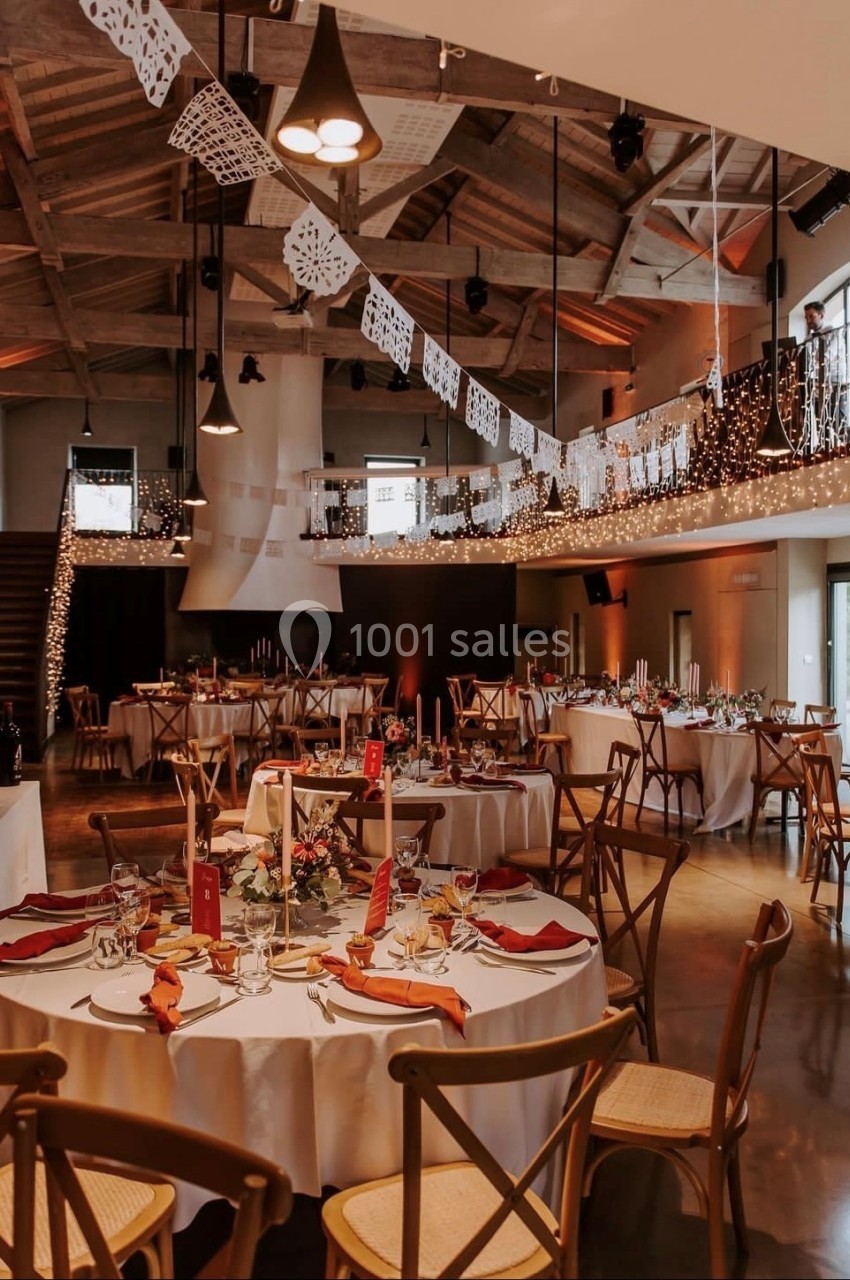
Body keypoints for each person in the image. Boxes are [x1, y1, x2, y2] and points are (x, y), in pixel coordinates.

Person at [800, 298, 847, 447]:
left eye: (811, 316)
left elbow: (827, 356)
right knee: (822, 420)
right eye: (806, 317)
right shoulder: (808, 339)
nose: (808, 320)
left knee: (838, 419)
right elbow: (805, 360)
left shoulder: (834, 332)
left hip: (835, 382)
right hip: (817, 385)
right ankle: (824, 449)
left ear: (821, 315)